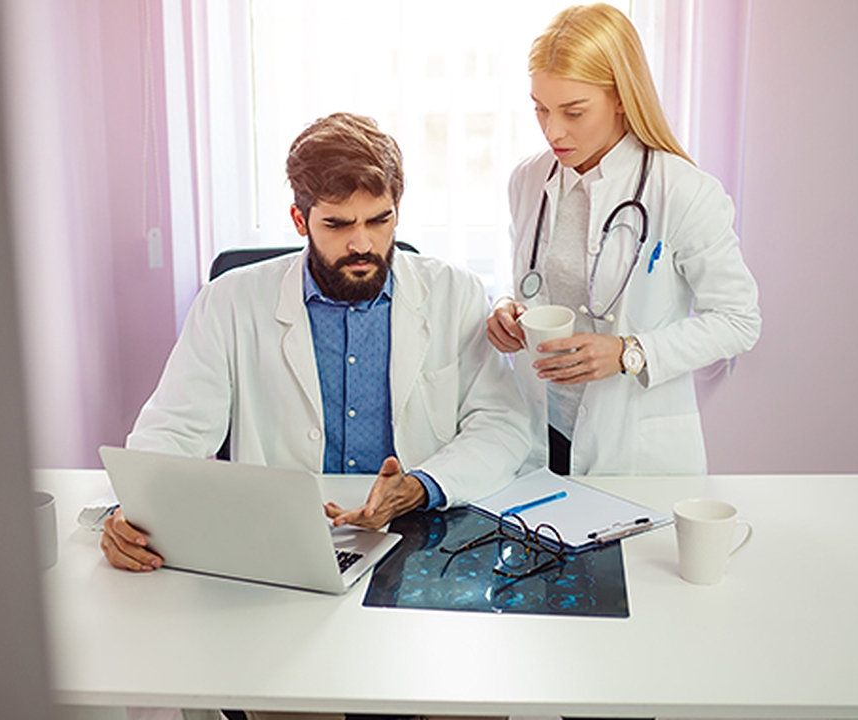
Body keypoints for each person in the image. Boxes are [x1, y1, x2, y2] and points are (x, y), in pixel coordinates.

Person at [104, 112, 532, 573]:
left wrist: (422, 485)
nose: (362, 244)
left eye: (379, 220)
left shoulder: (454, 292)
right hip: (277, 543)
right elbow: (174, 429)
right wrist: (133, 511)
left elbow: (501, 423)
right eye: (338, 224)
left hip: (423, 536)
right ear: (299, 219)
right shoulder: (229, 301)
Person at [486, 3, 761, 477]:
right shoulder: (528, 180)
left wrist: (630, 352)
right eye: (540, 109)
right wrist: (505, 310)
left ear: (620, 98)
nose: (552, 130)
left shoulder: (682, 191)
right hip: (537, 434)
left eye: (573, 111)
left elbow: (739, 321)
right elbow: (532, 283)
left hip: (632, 449)